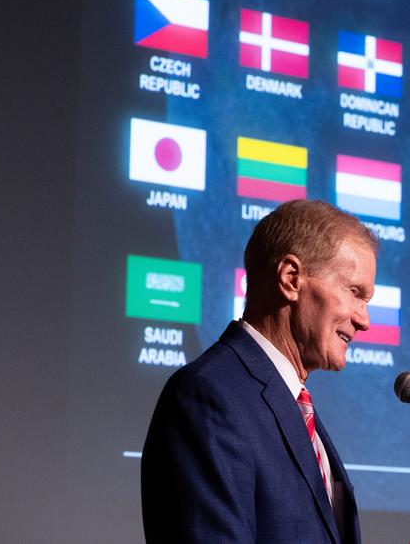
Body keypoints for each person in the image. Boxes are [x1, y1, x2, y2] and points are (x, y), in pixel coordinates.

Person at [141, 199, 377, 543]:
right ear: (291, 279)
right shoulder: (209, 397)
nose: (364, 320)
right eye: (354, 292)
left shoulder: (294, 404)